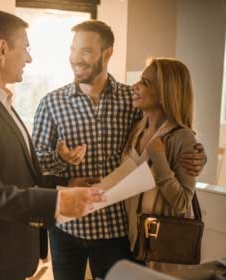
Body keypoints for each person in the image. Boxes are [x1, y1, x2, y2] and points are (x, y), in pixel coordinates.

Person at [0, 11, 106, 280]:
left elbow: (13, 173)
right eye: (26, 48)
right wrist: (58, 201)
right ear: (2, 48)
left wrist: (63, 186)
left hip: (4, 255)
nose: (28, 58)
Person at [32, 20, 206, 279]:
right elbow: (36, 165)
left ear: (108, 52)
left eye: (86, 51)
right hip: (67, 228)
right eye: (73, 50)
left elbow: (169, 125)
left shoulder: (133, 100)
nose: (76, 59)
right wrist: (60, 160)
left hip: (117, 231)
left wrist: (197, 152)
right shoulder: (50, 104)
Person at [125, 58, 198, 272]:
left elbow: (183, 202)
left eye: (145, 83)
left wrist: (159, 159)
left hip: (162, 251)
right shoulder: (137, 130)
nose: (135, 86)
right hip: (132, 244)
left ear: (166, 92)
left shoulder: (182, 137)